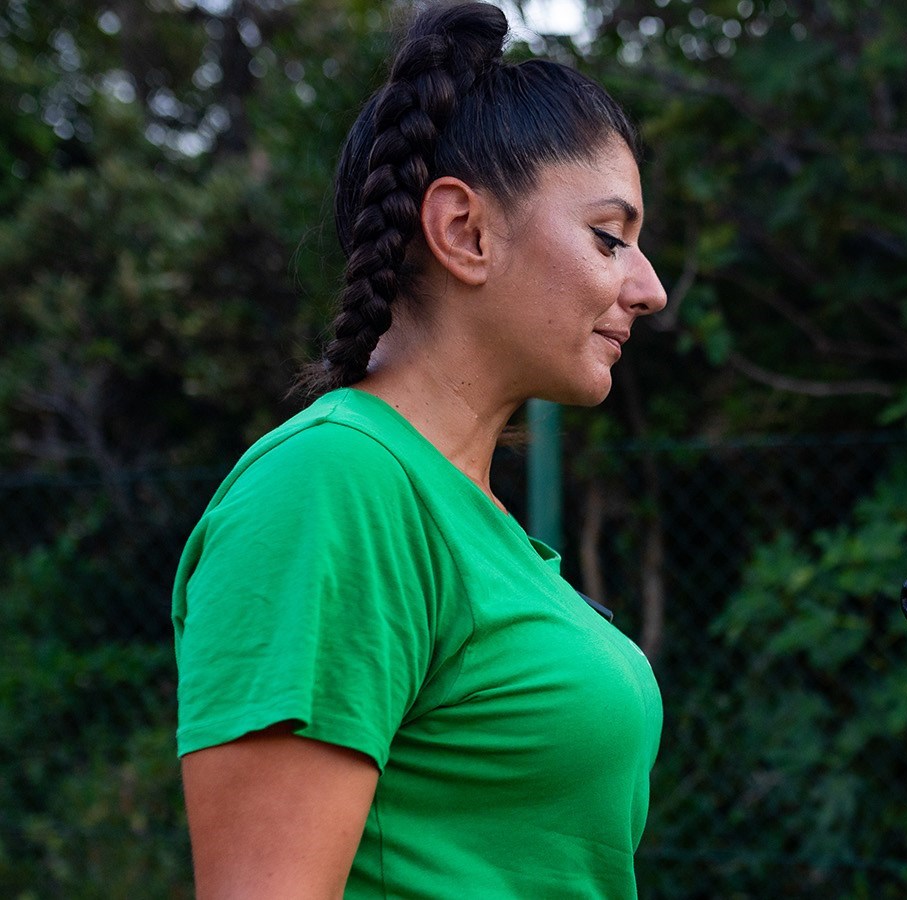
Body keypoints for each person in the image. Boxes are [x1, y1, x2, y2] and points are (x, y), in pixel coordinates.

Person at [170, 2, 669, 897]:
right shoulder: (334, 484)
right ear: (464, 231)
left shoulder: (469, 517)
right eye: (609, 238)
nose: (650, 288)